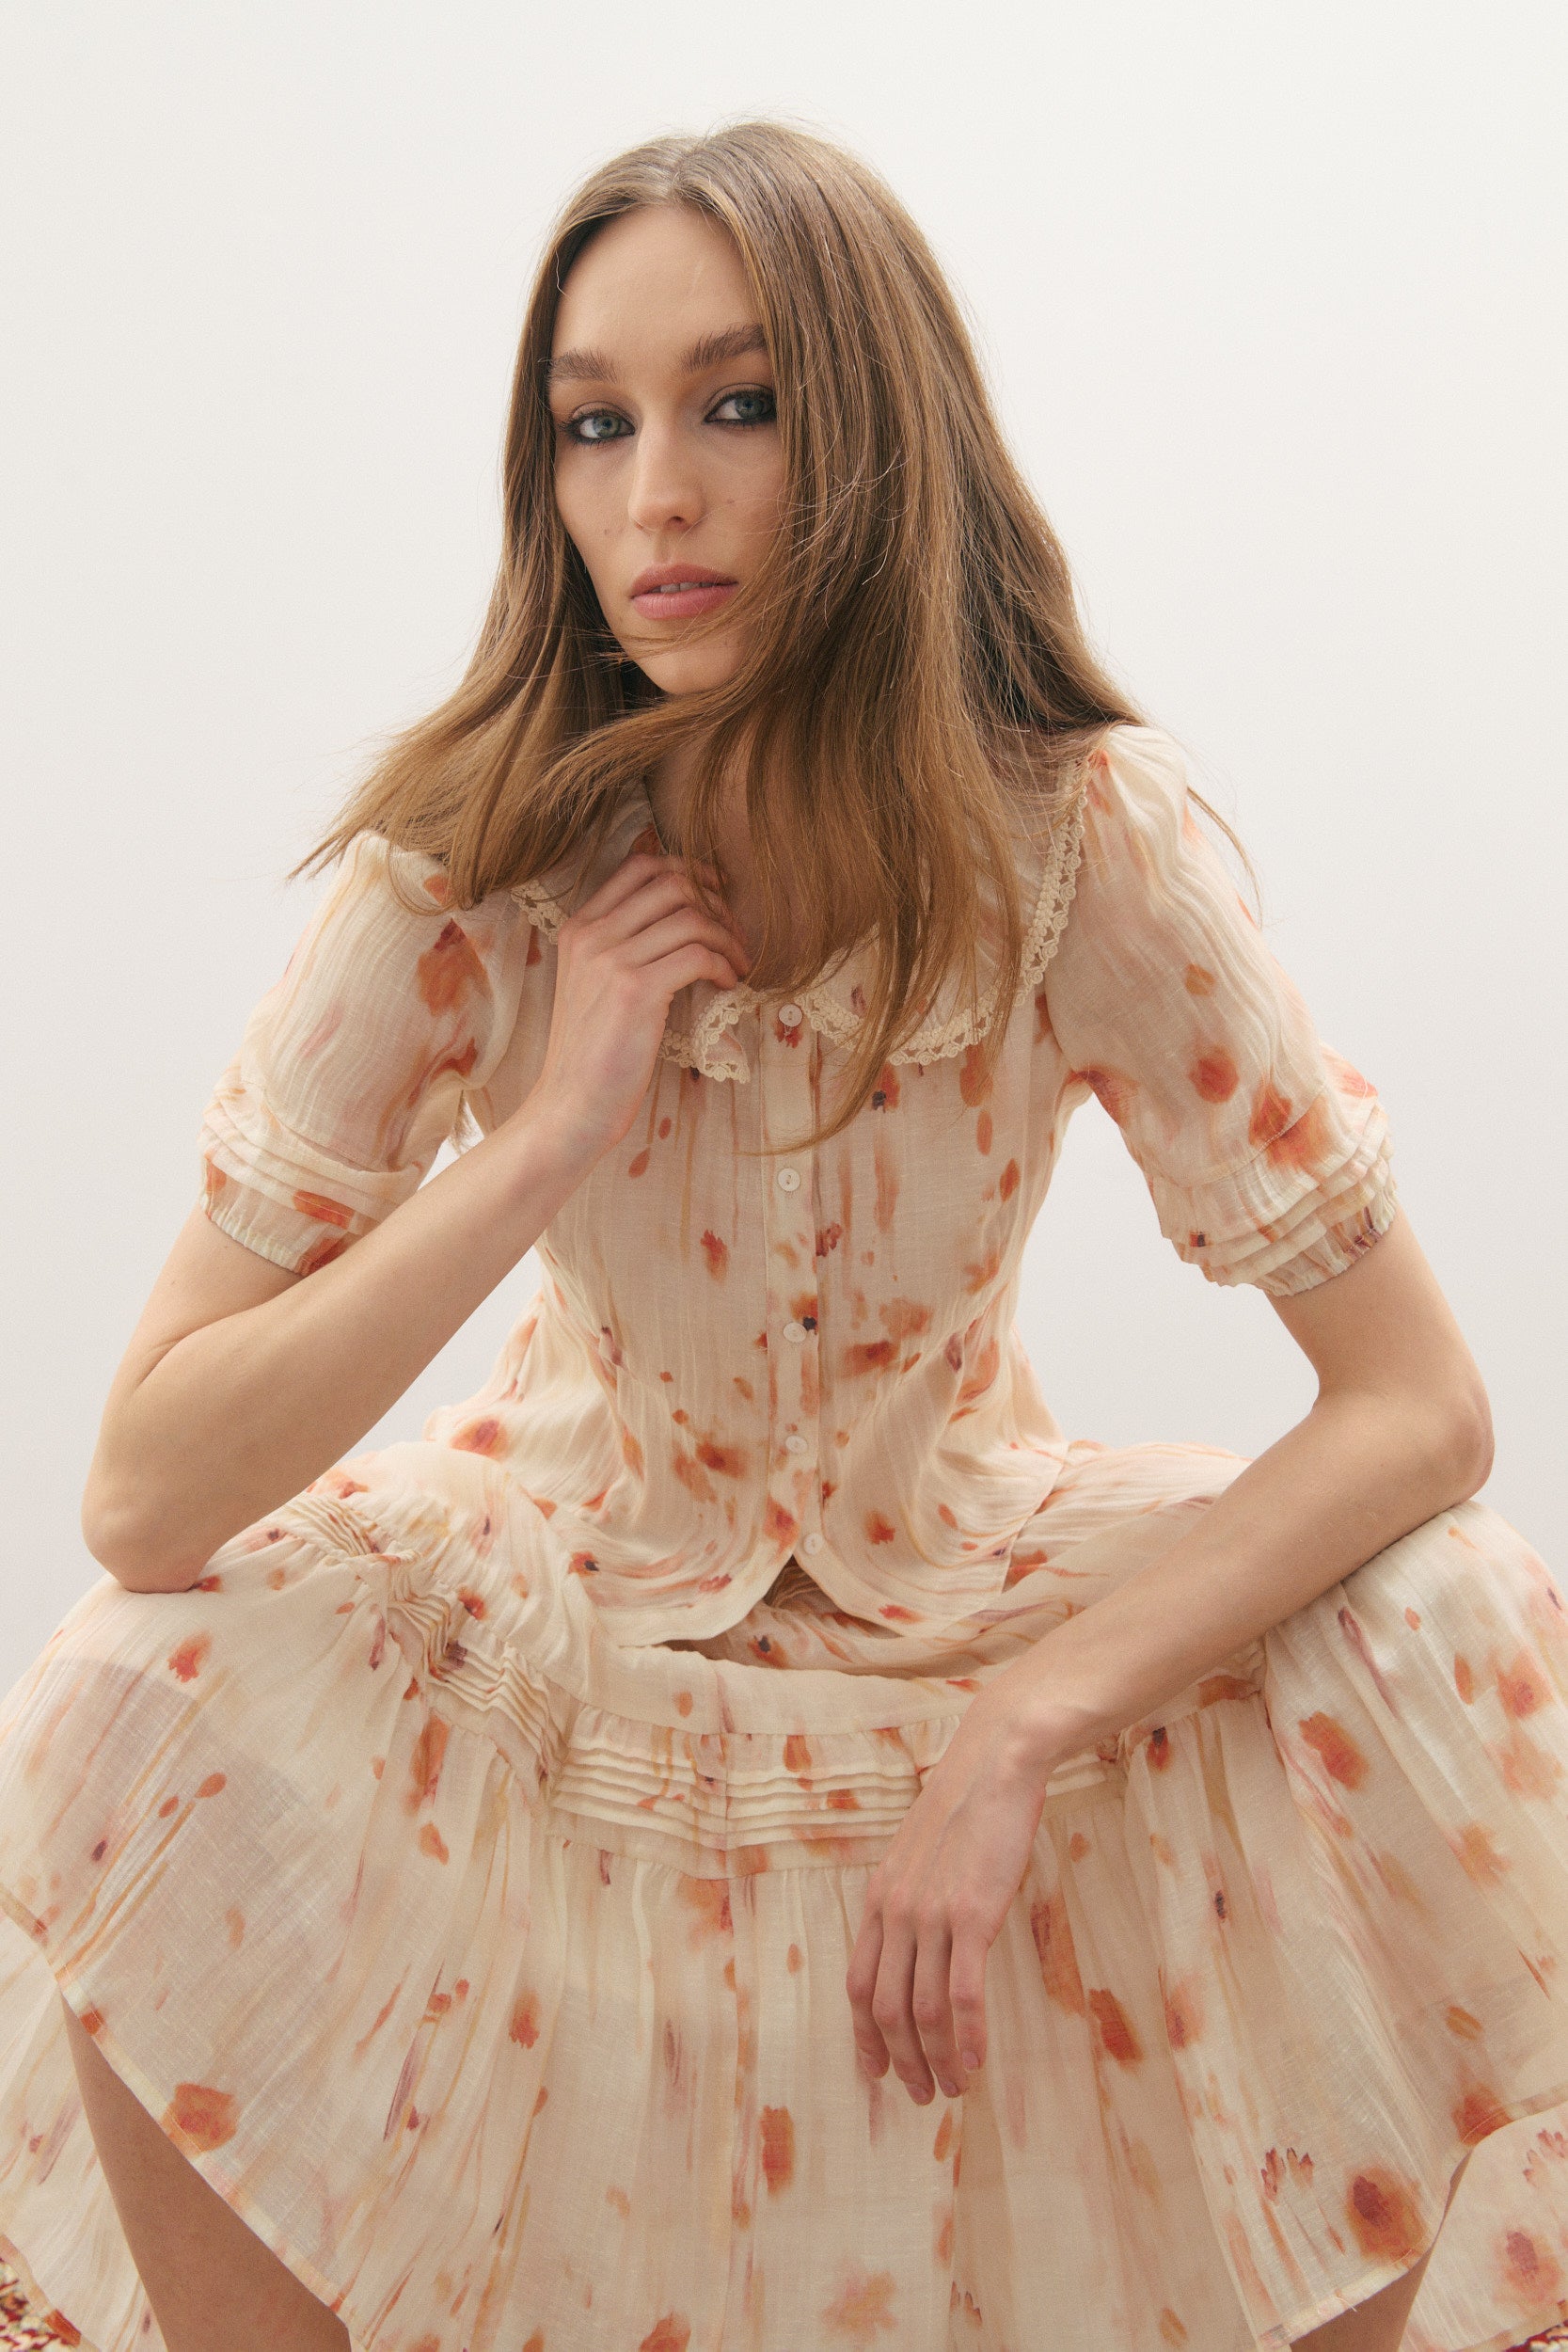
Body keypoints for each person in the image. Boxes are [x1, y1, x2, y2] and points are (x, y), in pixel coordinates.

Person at [1, 119, 1565, 2352]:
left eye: (739, 406)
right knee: (134, 1688)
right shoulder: (467, 859)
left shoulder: (1076, 840)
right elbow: (145, 1488)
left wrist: (1029, 1721)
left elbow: (1421, 1404)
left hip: (968, 1570)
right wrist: (544, 1135)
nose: (657, 497)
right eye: (592, 424)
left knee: (1454, 1631)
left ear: (872, 433)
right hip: (567, 1578)